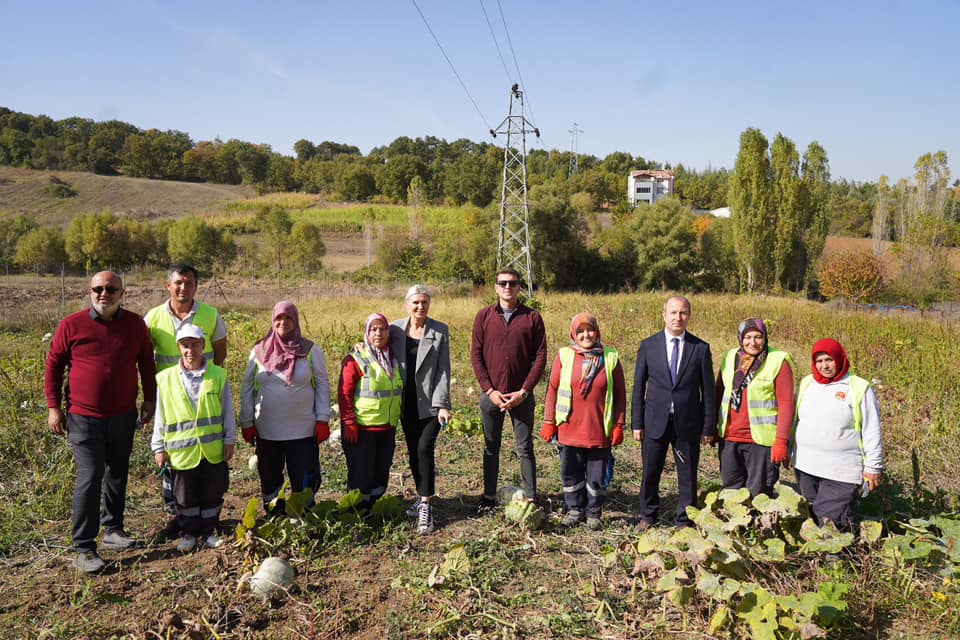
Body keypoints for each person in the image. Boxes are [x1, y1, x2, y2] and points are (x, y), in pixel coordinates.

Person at [45, 271, 156, 574]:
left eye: (111, 289)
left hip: (122, 415)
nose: (103, 293)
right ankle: (83, 547)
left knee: (117, 472)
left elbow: (146, 362)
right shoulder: (72, 325)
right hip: (84, 417)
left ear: (122, 293)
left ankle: (114, 531)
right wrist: (54, 408)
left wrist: (149, 399)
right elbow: (54, 366)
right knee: (91, 474)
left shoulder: (135, 325)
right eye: (98, 288)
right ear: (90, 291)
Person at [144, 264, 228, 521]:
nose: (183, 288)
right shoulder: (153, 318)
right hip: (170, 397)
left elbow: (220, 353)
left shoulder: (211, 316)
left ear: (196, 286)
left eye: (189, 283)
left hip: (204, 392)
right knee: (173, 455)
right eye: (178, 282)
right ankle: (177, 515)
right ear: (168, 285)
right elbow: (145, 359)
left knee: (205, 459)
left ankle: (204, 515)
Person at [632, 296, 715, 529]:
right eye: (673, 312)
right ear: (664, 315)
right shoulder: (649, 346)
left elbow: (708, 392)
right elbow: (638, 388)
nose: (678, 317)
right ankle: (648, 515)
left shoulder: (700, 348)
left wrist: (708, 427)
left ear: (689, 316)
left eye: (683, 313)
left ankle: (684, 519)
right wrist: (636, 423)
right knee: (650, 471)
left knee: (687, 474)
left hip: (687, 424)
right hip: (654, 422)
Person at [151, 325, 236, 552]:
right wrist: (159, 447)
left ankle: (209, 531)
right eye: (185, 345)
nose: (190, 350)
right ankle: (188, 533)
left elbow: (227, 410)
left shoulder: (217, 375)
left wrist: (230, 439)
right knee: (184, 496)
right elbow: (161, 415)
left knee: (212, 493)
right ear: (179, 347)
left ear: (203, 345)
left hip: (212, 449)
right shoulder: (165, 379)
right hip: (182, 453)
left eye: (195, 344)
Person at [240, 301, 331, 514]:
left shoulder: (310, 350)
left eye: (288, 317)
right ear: (273, 321)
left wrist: (323, 419)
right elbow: (246, 388)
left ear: (296, 320)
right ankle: (275, 512)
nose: (283, 322)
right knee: (270, 474)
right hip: (268, 429)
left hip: (302, 429)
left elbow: (323, 384)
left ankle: (303, 511)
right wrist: (246, 422)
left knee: (303, 474)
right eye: (279, 318)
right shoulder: (259, 350)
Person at [471, 268, 547, 513]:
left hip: (521, 396)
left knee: (524, 446)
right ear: (495, 287)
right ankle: (488, 496)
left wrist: (523, 392)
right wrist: (490, 390)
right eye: (502, 283)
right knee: (491, 446)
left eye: (512, 283)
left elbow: (540, 357)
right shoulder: (483, 317)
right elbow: (476, 356)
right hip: (491, 395)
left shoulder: (532, 318)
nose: (507, 287)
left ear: (519, 287)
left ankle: (532, 498)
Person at [542, 313, 626, 530]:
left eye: (590, 330)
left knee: (597, 474)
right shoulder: (564, 355)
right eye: (580, 331)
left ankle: (594, 513)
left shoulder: (610, 357)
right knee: (570, 470)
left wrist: (618, 424)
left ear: (597, 332)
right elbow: (552, 390)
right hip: (569, 427)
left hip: (598, 428)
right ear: (573, 334)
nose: (586, 334)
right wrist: (549, 421)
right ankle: (574, 509)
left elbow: (620, 394)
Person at [793, 338, 883, 530]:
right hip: (806, 465)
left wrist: (873, 467)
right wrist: (788, 449)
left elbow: (872, 430)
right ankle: (821, 556)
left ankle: (836, 557)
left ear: (839, 359)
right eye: (819, 361)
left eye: (829, 360)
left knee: (831, 518)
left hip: (840, 469)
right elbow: (796, 420)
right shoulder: (807, 383)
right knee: (813, 513)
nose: (824, 366)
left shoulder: (858, 388)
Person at [390, 285, 451, 535]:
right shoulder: (394, 329)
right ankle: (420, 496)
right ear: (407, 304)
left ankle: (426, 504)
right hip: (405, 403)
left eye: (424, 302)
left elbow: (443, 371)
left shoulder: (439, 331)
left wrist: (443, 404)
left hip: (430, 405)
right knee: (414, 451)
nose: (420, 307)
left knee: (425, 448)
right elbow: (377, 345)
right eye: (415, 303)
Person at [715, 318, 796, 497]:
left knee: (758, 493)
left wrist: (781, 441)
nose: (753, 342)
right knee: (731, 490)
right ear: (740, 338)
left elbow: (786, 404)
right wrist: (713, 427)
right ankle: (735, 525)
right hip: (730, 437)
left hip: (761, 441)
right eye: (748, 337)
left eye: (758, 337)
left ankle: (758, 525)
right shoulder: (730, 357)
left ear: (765, 337)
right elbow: (719, 393)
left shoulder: (777, 360)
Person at [338, 313, 403, 510]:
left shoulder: (393, 358)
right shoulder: (355, 358)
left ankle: (374, 507)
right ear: (367, 332)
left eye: (382, 328)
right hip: (363, 429)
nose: (378, 333)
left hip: (387, 427)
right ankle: (357, 511)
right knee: (361, 473)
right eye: (373, 329)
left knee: (381, 471)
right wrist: (349, 422)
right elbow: (344, 393)